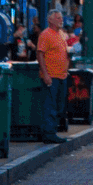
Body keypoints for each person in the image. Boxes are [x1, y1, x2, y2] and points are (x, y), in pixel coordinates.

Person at [37, 10, 71, 143]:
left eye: (61, 18)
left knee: (58, 105)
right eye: (58, 18)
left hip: (61, 76)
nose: (61, 20)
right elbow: (40, 53)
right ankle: (49, 133)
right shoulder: (45, 35)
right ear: (50, 20)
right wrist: (45, 74)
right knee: (50, 105)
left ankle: (51, 131)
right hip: (51, 76)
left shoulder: (60, 35)